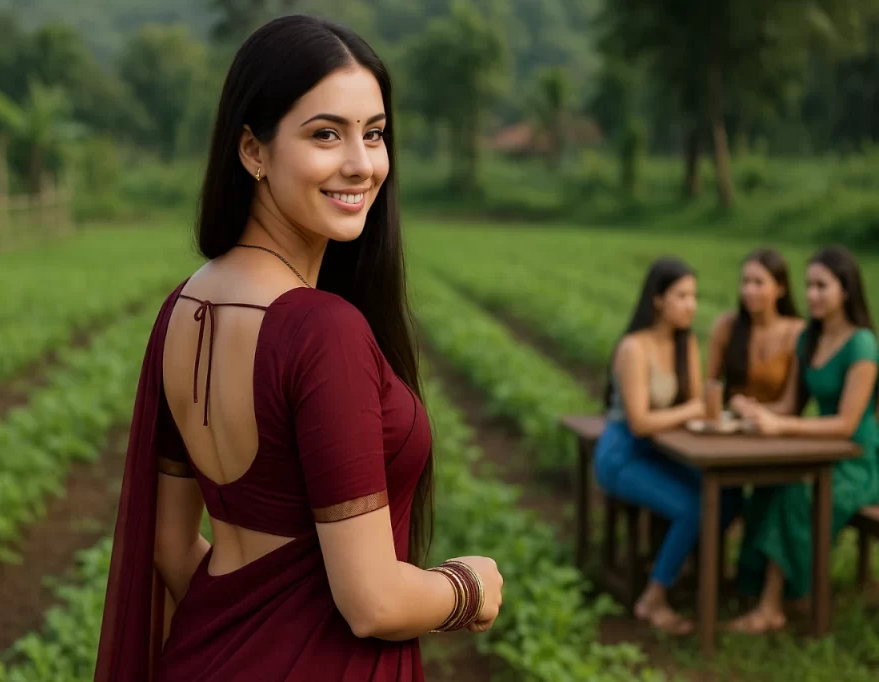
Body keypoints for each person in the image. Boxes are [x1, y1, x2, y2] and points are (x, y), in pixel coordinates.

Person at [93, 15, 503, 682]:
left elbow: (171, 550)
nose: (361, 164)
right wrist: (468, 586)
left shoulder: (184, 309)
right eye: (324, 134)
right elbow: (371, 602)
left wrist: (262, 622)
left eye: (374, 134)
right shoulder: (321, 331)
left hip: (202, 660)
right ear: (252, 151)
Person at [727, 245, 879, 634]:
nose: (811, 295)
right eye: (808, 286)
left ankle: (772, 606)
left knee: (797, 496)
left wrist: (783, 427)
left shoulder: (861, 344)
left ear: (846, 290)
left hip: (858, 457)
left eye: (822, 286)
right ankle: (753, 586)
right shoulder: (809, 337)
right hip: (824, 448)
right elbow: (790, 403)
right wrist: (755, 410)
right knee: (768, 486)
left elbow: (846, 423)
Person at [594, 257, 742, 635]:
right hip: (622, 453)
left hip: (663, 450)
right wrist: (694, 408)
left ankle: (682, 568)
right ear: (658, 300)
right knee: (693, 507)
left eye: (694, 296)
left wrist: (701, 410)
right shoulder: (633, 348)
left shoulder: (685, 342)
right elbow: (641, 422)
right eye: (682, 296)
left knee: (727, 497)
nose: (692, 305)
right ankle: (654, 597)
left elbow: (695, 405)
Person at [706, 248, 804, 406]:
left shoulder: (795, 332)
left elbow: (791, 405)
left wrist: (750, 411)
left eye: (759, 283)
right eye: (745, 282)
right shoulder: (726, 326)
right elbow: (710, 389)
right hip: (730, 424)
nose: (749, 290)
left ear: (780, 288)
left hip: (777, 426)